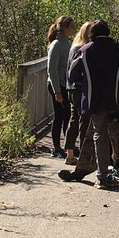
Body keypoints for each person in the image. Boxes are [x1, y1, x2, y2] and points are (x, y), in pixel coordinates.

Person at [59, 19, 119, 188]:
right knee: (116, 134)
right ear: (107, 32)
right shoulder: (118, 49)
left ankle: (102, 176)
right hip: (114, 99)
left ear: (92, 34)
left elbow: (71, 74)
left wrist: (85, 81)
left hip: (93, 99)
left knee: (99, 135)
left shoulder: (84, 50)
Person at [63, 20, 94, 165]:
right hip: (80, 88)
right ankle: (83, 155)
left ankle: (70, 155)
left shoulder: (73, 47)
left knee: (74, 120)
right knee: (84, 121)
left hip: (70, 88)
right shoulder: (83, 48)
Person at [46, 15, 76, 158]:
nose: (74, 29)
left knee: (67, 116)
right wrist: (57, 91)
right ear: (64, 28)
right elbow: (52, 69)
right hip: (57, 85)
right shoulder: (56, 45)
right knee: (59, 116)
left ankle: (68, 146)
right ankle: (56, 148)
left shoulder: (67, 43)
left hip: (65, 84)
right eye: (71, 26)